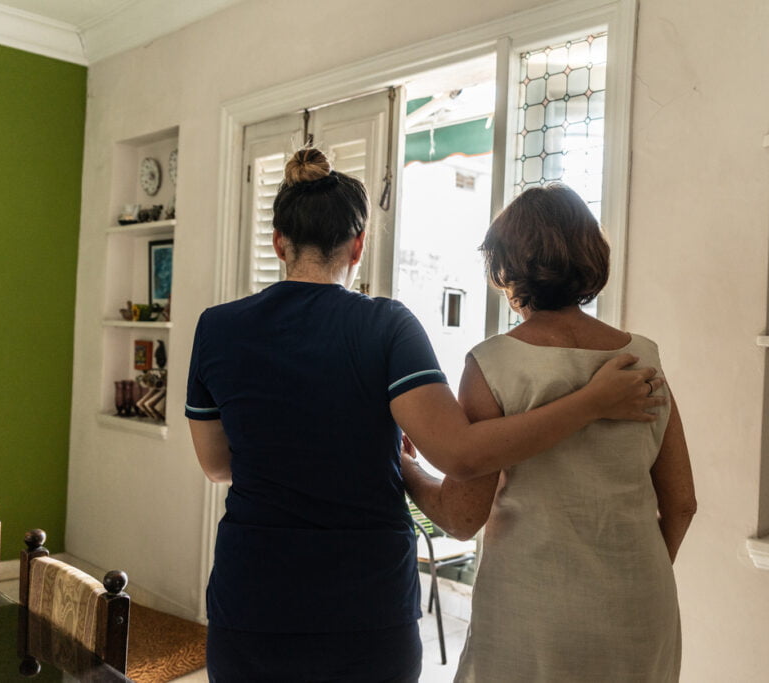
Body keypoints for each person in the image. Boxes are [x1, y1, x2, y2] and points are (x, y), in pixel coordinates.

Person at [185, 149, 667, 682]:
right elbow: (458, 454)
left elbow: (217, 464)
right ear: (358, 244)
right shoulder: (387, 326)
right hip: (366, 604)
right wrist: (591, 402)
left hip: (254, 593)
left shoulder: (217, 328)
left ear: (278, 242)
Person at [402, 184, 696, 682]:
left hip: (533, 606)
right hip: (641, 602)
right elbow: (683, 503)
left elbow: (459, 516)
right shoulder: (643, 358)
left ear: (505, 267)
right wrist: (626, 582)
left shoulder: (492, 363)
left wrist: (404, 466)